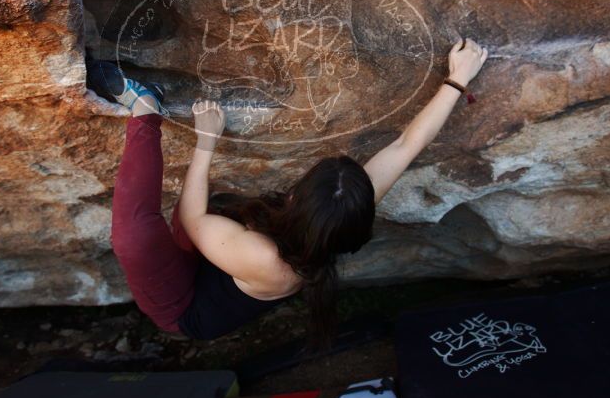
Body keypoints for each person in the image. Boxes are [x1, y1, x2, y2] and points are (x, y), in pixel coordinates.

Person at [88, 38, 488, 348]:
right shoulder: (341, 214)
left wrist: (206, 141)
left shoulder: (269, 261)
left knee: (134, 238)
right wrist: (457, 80)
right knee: (217, 211)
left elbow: (193, 221)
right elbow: (406, 146)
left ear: (297, 198)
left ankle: (145, 107)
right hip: (221, 254)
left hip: (183, 305)